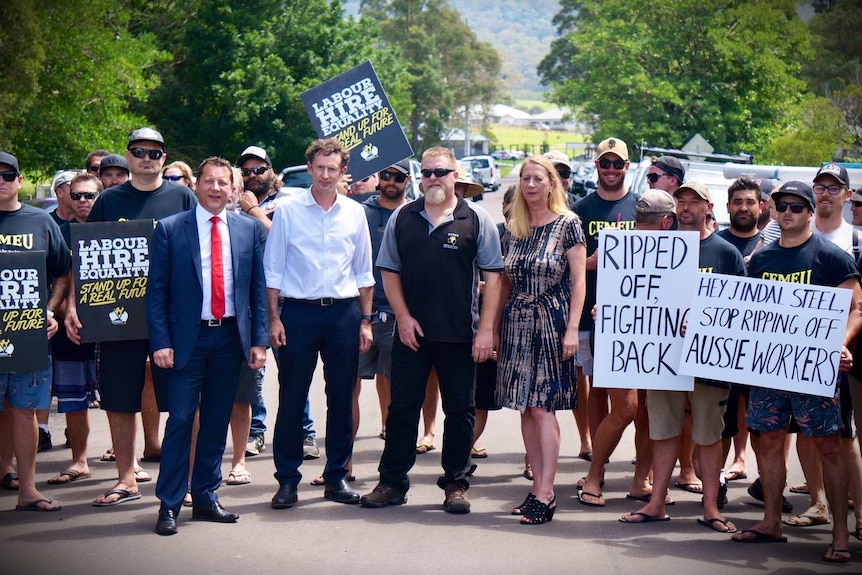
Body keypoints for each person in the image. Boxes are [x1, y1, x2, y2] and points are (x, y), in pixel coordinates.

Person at [360, 146, 503, 514]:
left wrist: (486, 330)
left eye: (440, 171)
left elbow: (494, 276)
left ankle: (455, 483)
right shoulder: (403, 217)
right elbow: (388, 270)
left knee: (460, 411)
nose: (433, 178)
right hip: (412, 333)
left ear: (456, 175)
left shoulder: (476, 219)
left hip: (461, 334)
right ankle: (392, 482)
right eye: (426, 173)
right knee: (402, 409)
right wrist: (403, 317)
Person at [65, 127, 196, 507]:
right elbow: (85, 258)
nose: (146, 158)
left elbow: (198, 252)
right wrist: (75, 306)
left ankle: (182, 481)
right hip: (117, 312)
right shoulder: (108, 200)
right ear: (128, 155)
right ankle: (126, 479)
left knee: (184, 400)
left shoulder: (182, 196)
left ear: (164, 159)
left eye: (154, 153)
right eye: (139, 151)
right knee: (120, 397)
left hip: (172, 316)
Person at [731, 181, 861, 565]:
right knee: (767, 442)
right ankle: (772, 522)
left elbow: (856, 308)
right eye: (782, 205)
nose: (788, 212)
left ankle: (840, 534)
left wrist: (842, 343)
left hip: (815, 371)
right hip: (768, 370)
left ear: (808, 213)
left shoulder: (832, 257)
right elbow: (743, 311)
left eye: (797, 207)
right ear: (772, 210)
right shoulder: (763, 259)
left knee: (828, 447)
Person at [146, 157, 267, 536]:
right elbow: (156, 293)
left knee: (216, 419)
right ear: (196, 185)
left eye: (223, 183)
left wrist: (259, 340)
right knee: (181, 419)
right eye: (209, 181)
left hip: (230, 338)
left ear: (233, 189)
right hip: (187, 340)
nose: (216, 188)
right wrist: (161, 342)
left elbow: (258, 291)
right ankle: (168, 503)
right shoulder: (170, 229)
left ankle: (205, 496)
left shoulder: (248, 230)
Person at [621, 182, 745, 532]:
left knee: (708, 434)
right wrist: (614, 310)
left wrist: (706, 320)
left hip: (709, 360)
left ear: (709, 207)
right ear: (674, 209)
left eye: (695, 201)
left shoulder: (726, 253)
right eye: (682, 201)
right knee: (663, 431)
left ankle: (710, 508)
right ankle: (656, 503)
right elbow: (634, 292)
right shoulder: (658, 248)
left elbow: (740, 310)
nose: (688, 207)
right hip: (664, 358)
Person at [265, 138, 374, 509]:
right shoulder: (289, 211)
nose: (327, 175)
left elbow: (363, 270)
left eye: (334, 168)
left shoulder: (354, 213)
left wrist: (366, 321)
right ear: (309, 168)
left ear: (343, 171)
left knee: (342, 399)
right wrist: (274, 318)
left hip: (344, 313)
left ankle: (337, 478)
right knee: (292, 398)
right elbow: (273, 268)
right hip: (298, 313)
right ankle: (287, 480)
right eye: (320, 167)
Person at [311, 159, 413, 487]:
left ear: (407, 180)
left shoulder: (414, 215)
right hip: (357, 315)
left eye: (397, 176)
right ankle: (342, 465)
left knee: (399, 395)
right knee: (346, 390)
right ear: (378, 177)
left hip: (400, 316)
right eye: (386, 175)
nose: (391, 181)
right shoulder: (359, 212)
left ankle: (391, 470)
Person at [496, 156, 586, 525]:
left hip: (552, 322)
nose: (530, 185)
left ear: (553, 184)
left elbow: (579, 282)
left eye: (538, 178)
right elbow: (502, 282)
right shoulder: (513, 226)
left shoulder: (569, 225)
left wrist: (571, 331)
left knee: (543, 407)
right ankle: (535, 487)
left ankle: (547, 493)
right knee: (525, 406)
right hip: (516, 322)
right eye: (525, 179)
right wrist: (494, 328)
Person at [236, 145, 319, 460]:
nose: (253, 176)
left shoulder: (290, 203)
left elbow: (289, 243)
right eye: (246, 171)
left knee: (293, 372)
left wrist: (254, 212)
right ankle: (256, 433)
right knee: (253, 371)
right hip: (249, 301)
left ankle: (305, 433)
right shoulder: (234, 206)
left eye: (259, 169)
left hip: (284, 301)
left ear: (272, 172)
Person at [0, 151, 70, 512]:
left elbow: (62, 271)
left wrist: (50, 309)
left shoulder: (41, 223)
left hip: (29, 335)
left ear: (19, 179)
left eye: (7, 174)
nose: (0, 180)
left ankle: (27, 489)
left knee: (25, 411)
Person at [572, 137, 640, 502]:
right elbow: (566, 264)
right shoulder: (580, 208)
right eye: (605, 164)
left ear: (627, 167)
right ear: (596, 166)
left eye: (617, 164)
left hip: (638, 316)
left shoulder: (640, 207)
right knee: (597, 387)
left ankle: (638, 475)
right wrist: (592, 264)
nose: (611, 170)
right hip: (591, 311)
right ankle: (596, 463)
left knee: (636, 399)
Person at [47, 173, 102, 486]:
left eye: (90, 196)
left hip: (113, 327)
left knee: (120, 397)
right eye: (78, 195)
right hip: (72, 329)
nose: (83, 201)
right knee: (74, 398)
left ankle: (129, 462)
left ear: (100, 197)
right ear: (68, 196)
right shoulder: (60, 233)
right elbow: (60, 276)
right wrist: (59, 311)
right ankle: (79, 461)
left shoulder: (114, 229)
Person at [716, 177, 763, 485]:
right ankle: (714, 484)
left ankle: (767, 484)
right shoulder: (714, 244)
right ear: (728, 206)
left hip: (761, 348)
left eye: (750, 202)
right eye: (738, 202)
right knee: (722, 420)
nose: (743, 207)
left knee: (764, 424)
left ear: (761, 206)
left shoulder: (774, 247)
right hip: (719, 348)